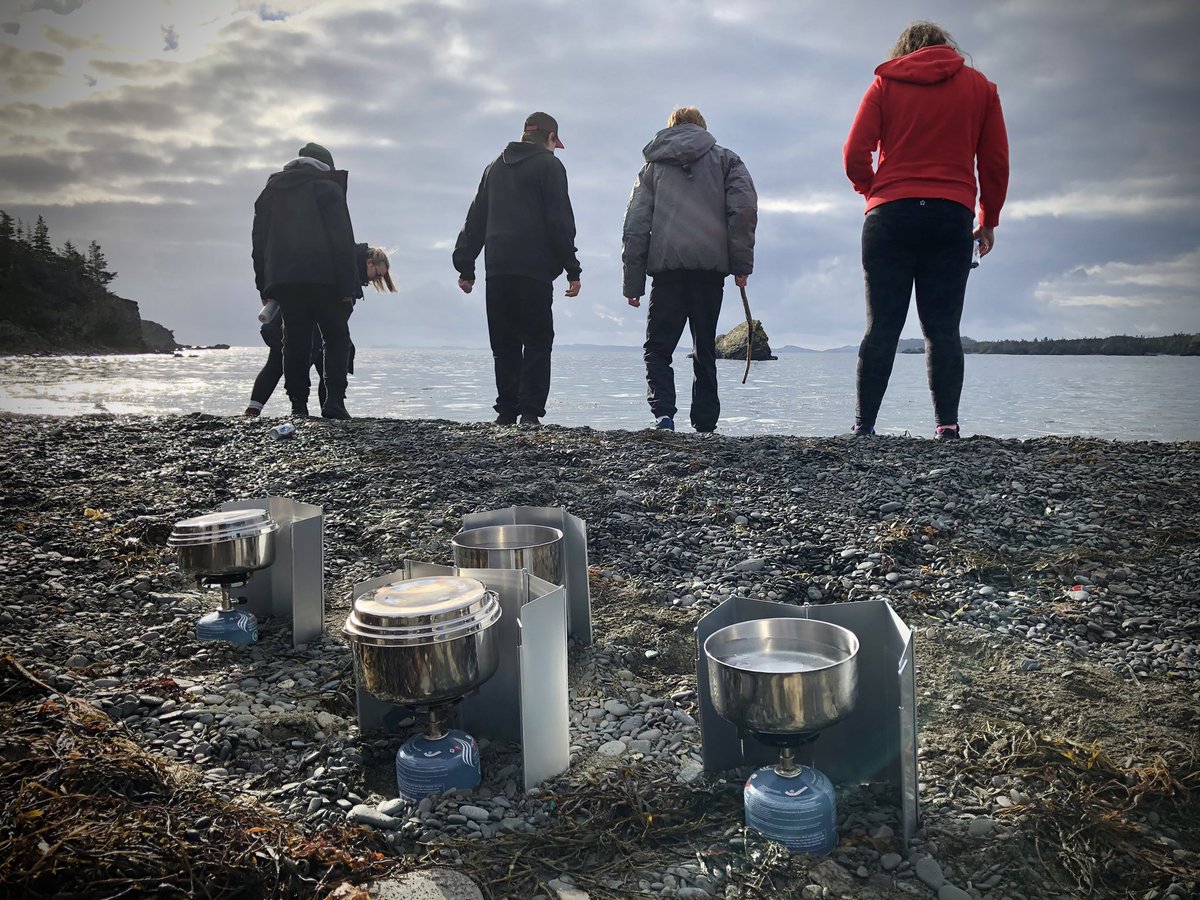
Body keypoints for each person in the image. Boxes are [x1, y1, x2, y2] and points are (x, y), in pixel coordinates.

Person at [843, 21, 1009, 440]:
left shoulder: (885, 83)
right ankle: (947, 427)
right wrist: (988, 219)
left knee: (881, 326)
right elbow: (994, 164)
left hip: (890, 215)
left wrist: (873, 191)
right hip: (949, 216)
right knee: (942, 328)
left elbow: (853, 153)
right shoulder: (981, 89)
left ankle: (864, 426)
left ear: (904, 51)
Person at [622, 107, 757, 433]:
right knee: (704, 348)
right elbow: (743, 210)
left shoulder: (652, 167)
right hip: (709, 272)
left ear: (671, 128)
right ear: (702, 127)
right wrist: (741, 264)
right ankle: (705, 425)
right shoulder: (726, 160)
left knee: (657, 349)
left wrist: (633, 282)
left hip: (667, 272)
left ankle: (664, 416)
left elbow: (635, 225)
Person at [453, 112, 582, 427]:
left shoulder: (494, 167)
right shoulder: (550, 166)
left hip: (497, 270)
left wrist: (466, 266)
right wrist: (572, 268)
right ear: (550, 138)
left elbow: (475, 220)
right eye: (555, 143)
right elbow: (560, 221)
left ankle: (506, 411)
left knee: (504, 343)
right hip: (534, 271)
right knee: (538, 340)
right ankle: (529, 413)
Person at [252, 142, 359, 419]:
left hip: (285, 280)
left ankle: (298, 406)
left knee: (295, 341)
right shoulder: (327, 188)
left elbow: (259, 242)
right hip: (326, 279)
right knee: (336, 338)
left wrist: (264, 284)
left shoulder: (270, 192)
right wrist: (349, 286)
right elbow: (342, 240)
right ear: (327, 166)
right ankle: (334, 402)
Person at [244, 246, 394, 416]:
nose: (375, 280)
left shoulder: (341, 263)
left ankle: (259, 409)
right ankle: (327, 408)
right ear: (369, 262)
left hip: (299, 317)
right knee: (286, 362)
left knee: (282, 363)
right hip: (311, 321)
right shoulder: (345, 270)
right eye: (377, 274)